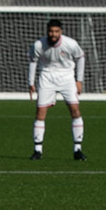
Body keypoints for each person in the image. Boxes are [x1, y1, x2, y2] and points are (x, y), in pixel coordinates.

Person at [27, 18, 86, 161]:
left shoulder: (70, 43)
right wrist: (31, 82)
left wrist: (79, 80)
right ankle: (37, 150)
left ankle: (77, 150)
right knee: (40, 112)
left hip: (67, 77)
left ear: (61, 32)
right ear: (47, 31)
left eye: (56, 31)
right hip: (46, 77)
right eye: (51, 31)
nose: (53, 34)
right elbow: (33, 61)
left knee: (75, 110)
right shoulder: (39, 45)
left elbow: (81, 57)